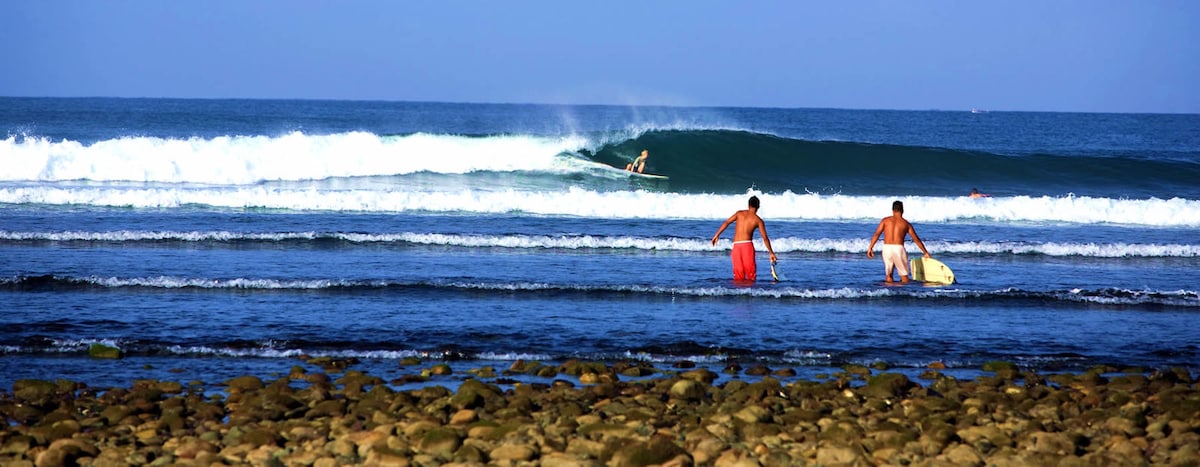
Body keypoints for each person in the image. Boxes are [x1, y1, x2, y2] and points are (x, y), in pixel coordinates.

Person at [711, 195, 778, 281]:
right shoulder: (758, 220)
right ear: (758, 207)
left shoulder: (739, 214)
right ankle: (750, 289)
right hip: (747, 246)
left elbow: (726, 222)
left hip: (736, 246)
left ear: (748, 205)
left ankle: (739, 289)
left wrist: (717, 235)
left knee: (738, 275)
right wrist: (771, 253)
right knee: (751, 275)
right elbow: (765, 238)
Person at [866, 200, 931, 283]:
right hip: (898, 249)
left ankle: (889, 290)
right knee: (904, 276)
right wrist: (925, 252)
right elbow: (916, 239)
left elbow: (876, 234)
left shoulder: (885, 221)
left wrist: (870, 247)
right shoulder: (906, 224)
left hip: (887, 248)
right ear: (902, 210)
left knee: (889, 275)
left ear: (892, 210)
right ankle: (903, 290)